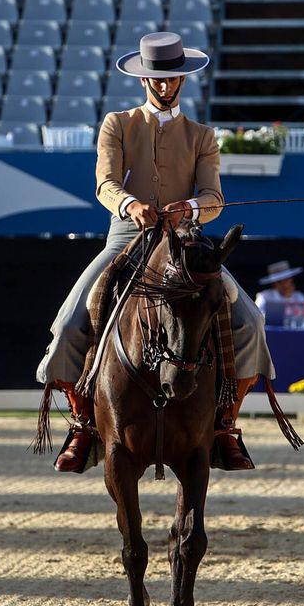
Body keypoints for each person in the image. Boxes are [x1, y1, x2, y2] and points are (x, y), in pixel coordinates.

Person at [35, 31, 274, 473]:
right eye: (156, 79)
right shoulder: (118, 124)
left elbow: (214, 197)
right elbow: (105, 184)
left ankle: (225, 425)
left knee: (250, 321)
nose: (164, 86)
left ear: (183, 79)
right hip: (126, 237)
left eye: (171, 79)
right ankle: (83, 422)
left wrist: (192, 208)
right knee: (69, 324)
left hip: (184, 242)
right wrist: (131, 204)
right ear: (143, 80)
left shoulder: (202, 135)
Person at [254, 260, 304, 327]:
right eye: (279, 282)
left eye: (286, 280)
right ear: (274, 283)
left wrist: (288, 298)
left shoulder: (300, 297)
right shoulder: (263, 297)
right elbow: (256, 318)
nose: (284, 284)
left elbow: (303, 321)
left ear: (291, 279)